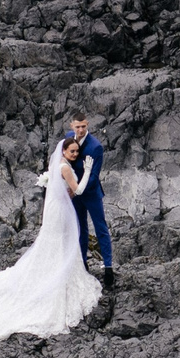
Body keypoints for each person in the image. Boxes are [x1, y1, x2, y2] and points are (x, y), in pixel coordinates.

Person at [0, 126, 107, 351]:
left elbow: (64, 189)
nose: (75, 154)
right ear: (64, 152)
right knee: (61, 242)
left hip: (53, 209)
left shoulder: (58, 166)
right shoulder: (66, 168)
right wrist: (89, 170)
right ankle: (59, 276)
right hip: (61, 212)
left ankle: (53, 269)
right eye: (72, 151)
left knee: (53, 243)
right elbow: (79, 190)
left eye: (75, 151)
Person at [65, 112, 114, 273]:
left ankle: (108, 266)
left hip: (91, 193)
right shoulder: (68, 138)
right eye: (77, 127)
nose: (80, 130)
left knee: (101, 228)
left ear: (88, 125)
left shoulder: (96, 146)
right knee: (80, 228)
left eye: (83, 127)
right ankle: (82, 262)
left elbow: (94, 176)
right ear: (72, 126)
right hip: (74, 193)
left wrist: (77, 189)